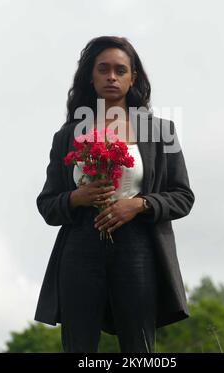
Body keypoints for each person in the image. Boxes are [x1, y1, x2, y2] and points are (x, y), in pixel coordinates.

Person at [34, 35, 195, 353]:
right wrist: (76, 198)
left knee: (140, 349)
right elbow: (47, 204)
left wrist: (139, 204)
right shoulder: (67, 136)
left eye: (120, 70)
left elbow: (183, 195)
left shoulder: (162, 131)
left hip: (138, 250)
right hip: (79, 252)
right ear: (90, 77)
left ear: (132, 77)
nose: (111, 76)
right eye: (103, 69)